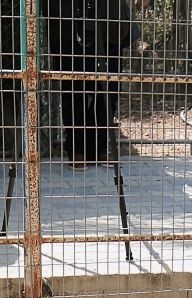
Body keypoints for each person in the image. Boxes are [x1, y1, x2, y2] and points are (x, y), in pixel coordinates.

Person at [44, 0, 139, 170]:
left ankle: (100, 146)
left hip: (109, 25)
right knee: (74, 88)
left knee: (108, 90)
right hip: (68, 24)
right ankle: (75, 148)